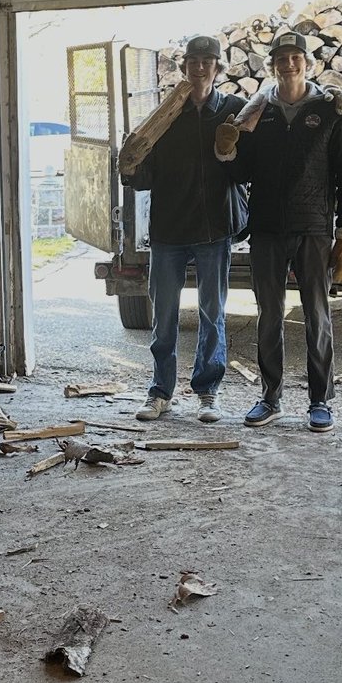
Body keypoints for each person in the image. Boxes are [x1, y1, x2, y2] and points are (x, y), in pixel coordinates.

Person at [215, 30, 342, 432]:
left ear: (307, 62)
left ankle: (320, 401)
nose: (289, 63)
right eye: (281, 58)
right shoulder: (258, 112)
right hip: (266, 228)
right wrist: (228, 149)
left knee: (317, 314)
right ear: (273, 65)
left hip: (314, 228)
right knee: (269, 315)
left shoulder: (331, 110)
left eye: (296, 57)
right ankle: (270, 397)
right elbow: (242, 172)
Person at [121, 34, 247, 423]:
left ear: (217, 68)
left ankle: (208, 392)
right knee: (165, 315)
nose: (199, 67)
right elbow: (143, 177)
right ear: (185, 67)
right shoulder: (166, 116)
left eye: (207, 61)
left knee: (213, 313)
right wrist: (129, 164)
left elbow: (246, 171)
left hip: (214, 230)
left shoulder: (233, 111)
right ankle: (160, 392)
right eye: (193, 61)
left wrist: (228, 152)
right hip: (169, 231)